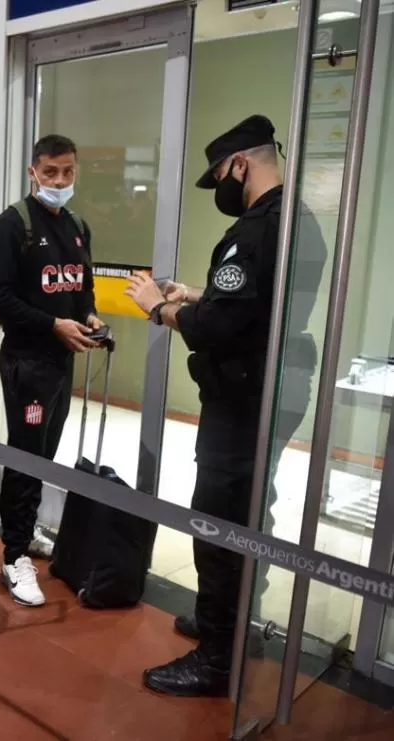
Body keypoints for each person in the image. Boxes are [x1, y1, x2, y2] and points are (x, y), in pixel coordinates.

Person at [126, 115, 326, 697]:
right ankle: (234, 623)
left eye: (220, 175)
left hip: (242, 401)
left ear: (240, 163)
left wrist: (156, 307)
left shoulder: (253, 230)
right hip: (275, 387)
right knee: (250, 509)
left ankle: (217, 655)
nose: (222, 188)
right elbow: (254, 305)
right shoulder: (298, 220)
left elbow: (218, 328)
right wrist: (195, 291)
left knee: (220, 519)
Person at [0, 134, 103, 608]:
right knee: (26, 455)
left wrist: (89, 318)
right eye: (50, 172)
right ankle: (13, 555)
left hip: (61, 362)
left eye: (68, 172)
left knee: (45, 454)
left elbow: (82, 290)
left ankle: (26, 531)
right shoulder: (10, 227)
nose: (59, 181)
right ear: (33, 172)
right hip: (27, 364)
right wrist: (53, 324)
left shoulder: (76, 226)